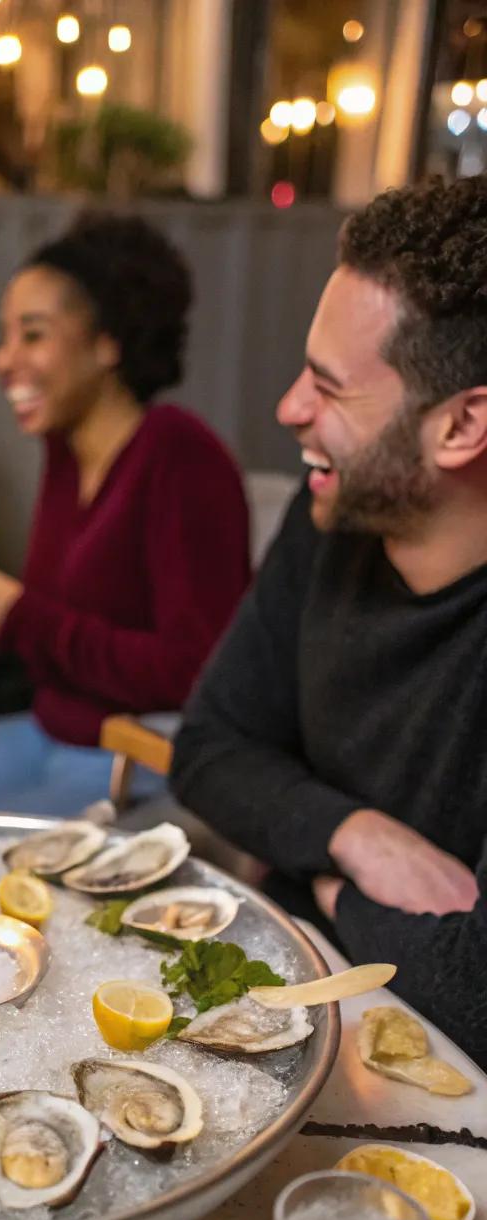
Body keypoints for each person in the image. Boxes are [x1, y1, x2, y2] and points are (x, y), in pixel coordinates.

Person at [170, 175, 487, 1059]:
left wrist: (328, 881)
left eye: (329, 386)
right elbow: (209, 747)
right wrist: (355, 836)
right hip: (291, 980)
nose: (288, 409)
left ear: (462, 425)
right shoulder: (331, 520)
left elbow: (479, 992)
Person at [0, 211, 252, 815]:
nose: (4, 361)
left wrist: (18, 617)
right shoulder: (65, 449)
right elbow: (59, 622)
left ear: (107, 343)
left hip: (137, 754)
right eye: (2, 339)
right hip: (51, 729)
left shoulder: (181, 456)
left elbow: (195, 671)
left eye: (33, 335)